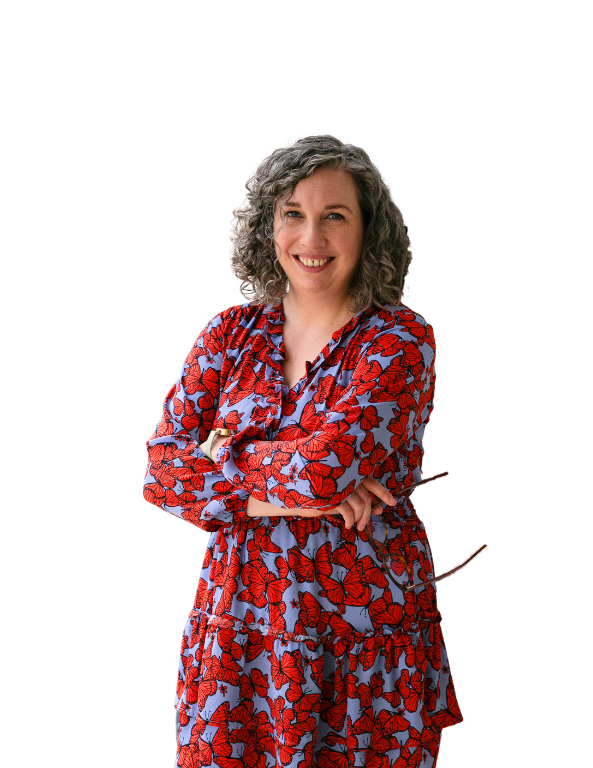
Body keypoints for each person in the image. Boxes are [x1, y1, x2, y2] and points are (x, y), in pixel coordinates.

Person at [143, 132, 463, 768]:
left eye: (334, 216)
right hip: (238, 636)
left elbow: (322, 471)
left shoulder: (401, 342)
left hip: (360, 641)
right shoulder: (230, 331)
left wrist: (223, 461)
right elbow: (159, 472)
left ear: (369, 229)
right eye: (293, 214)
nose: (311, 238)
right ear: (268, 226)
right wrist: (293, 498)